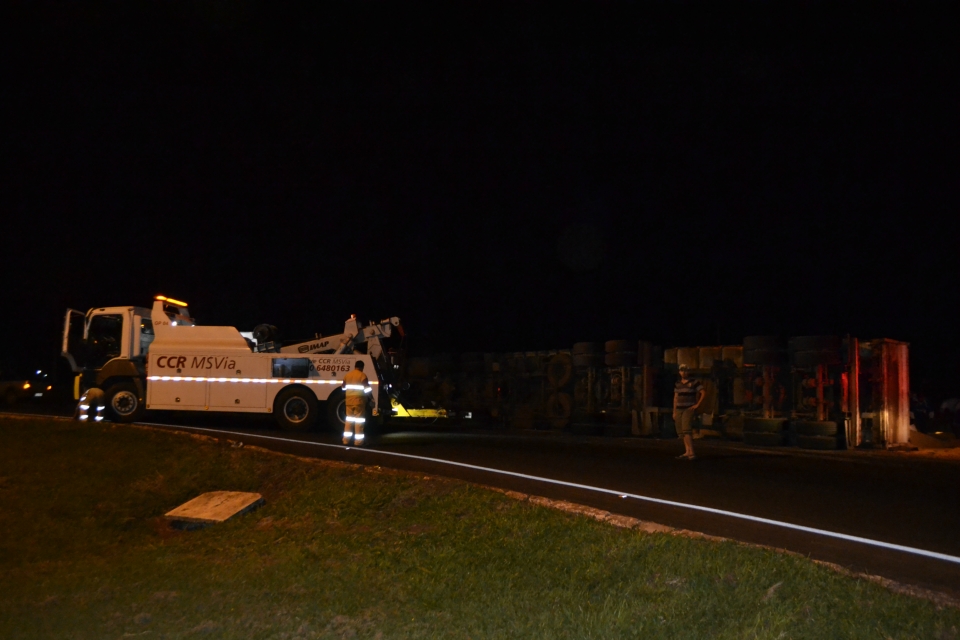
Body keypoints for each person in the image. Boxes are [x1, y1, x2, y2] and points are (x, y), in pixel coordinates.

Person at [673, 363, 705, 460]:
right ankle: (687, 451)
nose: (683, 373)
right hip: (679, 408)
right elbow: (676, 398)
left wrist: (697, 404)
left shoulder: (694, 382)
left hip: (688, 408)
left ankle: (692, 452)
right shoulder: (678, 384)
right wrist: (674, 411)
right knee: (681, 431)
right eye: (682, 371)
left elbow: (703, 392)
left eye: (685, 371)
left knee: (686, 430)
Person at [342, 360, 372, 446]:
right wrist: (371, 398)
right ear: (362, 367)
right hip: (359, 400)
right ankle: (358, 442)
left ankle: (346, 440)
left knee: (349, 421)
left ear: (355, 366)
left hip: (348, 400)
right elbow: (367, 388)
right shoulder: (362, 375)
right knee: (359, 422)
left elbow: (343, 388)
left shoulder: (347, 375)